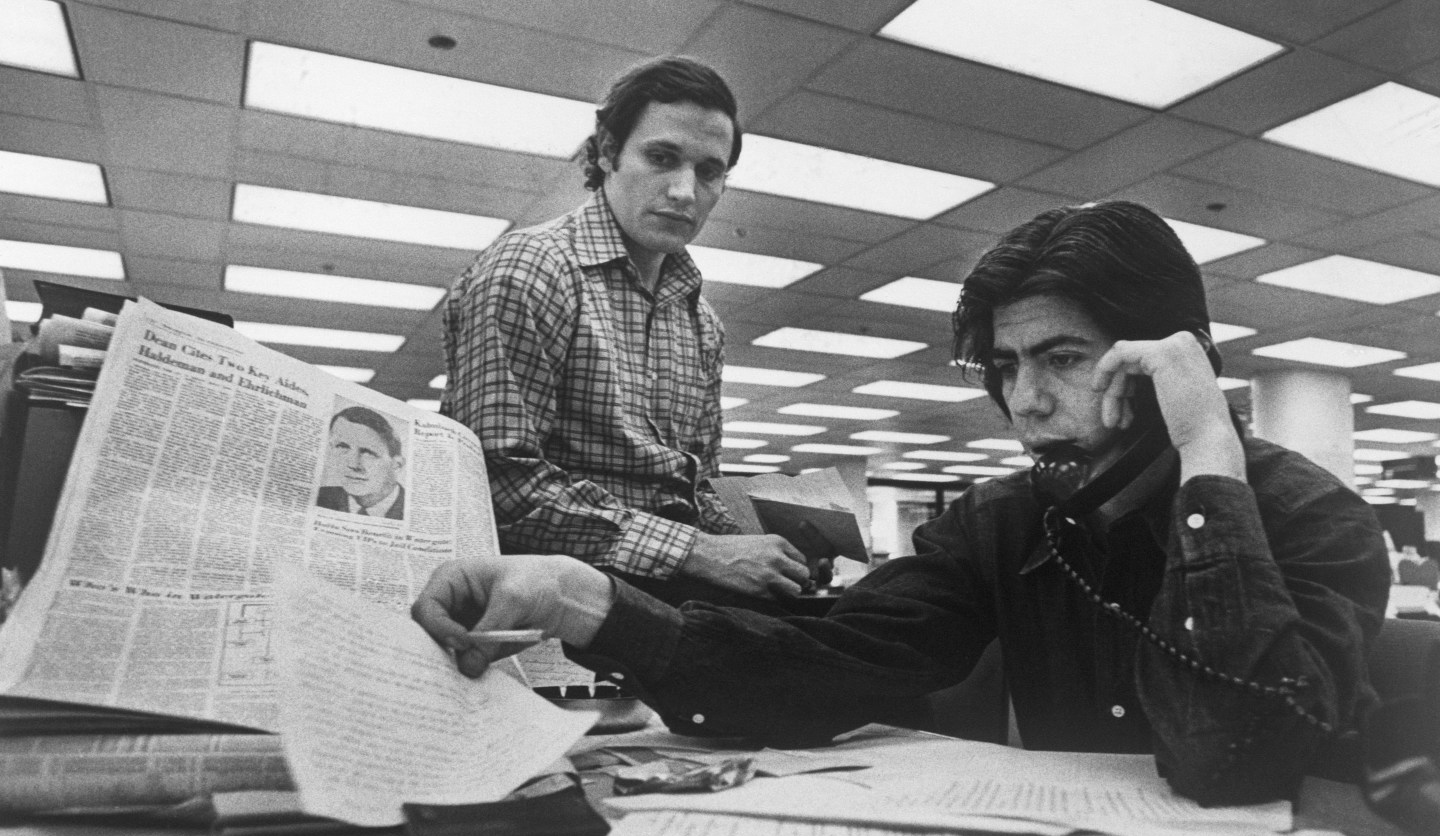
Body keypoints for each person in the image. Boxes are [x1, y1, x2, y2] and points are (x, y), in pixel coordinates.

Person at [414, 201, 1390, 804]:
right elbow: (830, 662)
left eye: (1062, 358)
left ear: (1166, 356)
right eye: (1008, 366)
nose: (1026, 400)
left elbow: (1238, 755)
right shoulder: (1005, 523)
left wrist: (1207, 455)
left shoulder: (1315, 520)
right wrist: (586, 599)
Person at [440, 56, 811, 608]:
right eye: (662, 158)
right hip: (559, 601)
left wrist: (753, 552)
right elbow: (499, 486)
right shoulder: (533, 269)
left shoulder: (701, 319)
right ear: (608, 152)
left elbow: (695, 486)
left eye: (709, 171)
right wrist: (699, 552)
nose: (685, 191)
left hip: (672, 597)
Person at [316, 406, 406, 520]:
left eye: (368, 452)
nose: (353, 464)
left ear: (397, 465)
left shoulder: (411, 509)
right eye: (342, 447)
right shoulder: (319, 498)